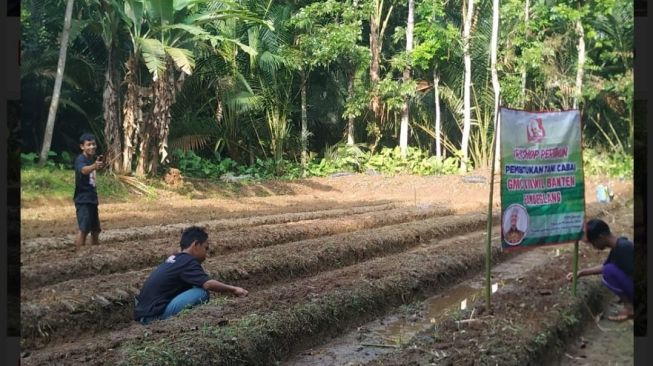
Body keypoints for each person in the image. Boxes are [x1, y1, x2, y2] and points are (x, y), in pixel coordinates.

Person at [134, 226, 248, 325]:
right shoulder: (188, 261)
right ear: (195, 245)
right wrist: (234, 289)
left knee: (193, 287)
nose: (206, 254)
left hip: (143, 311)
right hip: (153, 316)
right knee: (201, 293)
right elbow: (208, 284)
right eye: (205, 248)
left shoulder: (176, 258)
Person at [566, 218, 634, 321]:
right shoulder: (619, 246)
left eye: (593, 243)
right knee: (608, 269)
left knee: (609, 271)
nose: (594, 247)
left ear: (601, 237)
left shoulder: (624, 248)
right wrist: (581, 273)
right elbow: (605, 266)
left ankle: (629, 307)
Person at [74, 133, 104, 250]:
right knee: (84, 229)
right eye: (89, 145)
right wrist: (93, 166)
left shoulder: (91, 159)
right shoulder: (80, 159)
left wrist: (95, 165)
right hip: (83, 199)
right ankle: (78, 256)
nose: (92, 147)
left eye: (93, 144)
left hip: (92, 198)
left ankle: (95, 254)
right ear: (82, 147)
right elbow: (83, 170)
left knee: (95, 230)